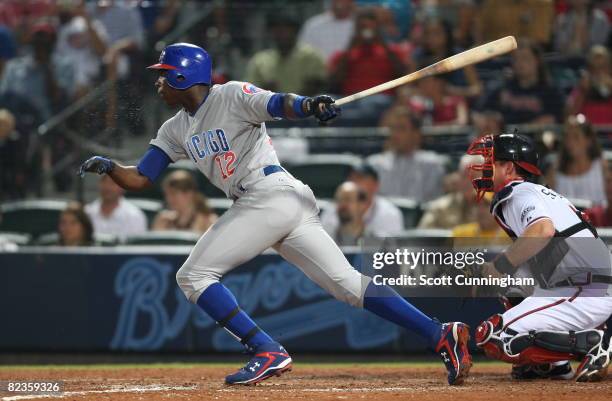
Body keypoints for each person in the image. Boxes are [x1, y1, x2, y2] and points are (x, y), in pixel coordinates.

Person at [78, 42, 471, 386]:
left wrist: (309, 105)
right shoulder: (174, 128)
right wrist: (111, 167)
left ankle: (266, 349)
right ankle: (440, 334)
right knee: (348, 285)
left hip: (270, 194)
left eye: (164, 74)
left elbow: (278, 103)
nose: (158, 82)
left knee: (193, 275)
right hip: (273, 203)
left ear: (183, 76)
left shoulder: (230, 95)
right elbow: (142, 178)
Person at [467, 132, 612, 382]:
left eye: (491, 160)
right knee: (510, 291)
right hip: (581, 284)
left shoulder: (518, 191)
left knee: (492, 336)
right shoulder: (534, 192)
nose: (483, 167)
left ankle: (591, 342)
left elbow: (542, 230)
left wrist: (499, 266)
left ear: (509, 167)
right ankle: (553, 365)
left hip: (586, 289)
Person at [367, 106, 446, 202]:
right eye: (393, 129)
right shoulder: (375, 164)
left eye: (401, 128)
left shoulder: (432, 164)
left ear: (416, 134)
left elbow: (432, 203)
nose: (395, 134)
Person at [478, 39, 563, 125]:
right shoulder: (502, 89)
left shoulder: (550, 91)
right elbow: (481, 112)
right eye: (516, 59)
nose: (520, 63)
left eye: (525, 58)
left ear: (537, 61)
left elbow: (556, 117)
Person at [245, 13, 327, 95]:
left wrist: (292, 103)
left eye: (286, 30)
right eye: (277, 30)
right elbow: (249, 90)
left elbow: (317, 86)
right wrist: (264, 91)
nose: (281, 34)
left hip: (305, 105)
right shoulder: (260, 60)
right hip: (268, 106)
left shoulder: (311, 56)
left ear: (295, 31)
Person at [321, 164, 404, 239]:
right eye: (351, 178)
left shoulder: (389, 214)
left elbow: (393, 251)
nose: (355, 182)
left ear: (375, 185)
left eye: (360, 178)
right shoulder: (333, 210)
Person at [547, 114, 606, 206]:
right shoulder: (555, 170)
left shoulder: (602, 167)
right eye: (567, 137)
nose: (570, 142)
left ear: (589, 140)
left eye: (576, 137)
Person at [418, 155, 478, 229]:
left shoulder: (492, 210)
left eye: (474, 177)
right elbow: (422, 235)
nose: (468, 182)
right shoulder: (439, 208)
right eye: (464, 176)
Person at [152, 170, 217, 234]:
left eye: (173, 194)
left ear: (189, 194)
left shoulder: (209, 222)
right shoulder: (163, 221)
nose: (168, 199)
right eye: (167, 194)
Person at [566, 45, 612, 125]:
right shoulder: (581, 88)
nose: (599, 72)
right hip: (589, 135)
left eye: (603, 67)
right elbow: (569, 116)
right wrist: (583, 92)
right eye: (595, 67)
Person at [324, 181, 368, 246]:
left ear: (362, 205)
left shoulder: (376, 243)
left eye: (348, 199)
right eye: (339, 200)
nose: (342, 205)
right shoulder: (324, 240)